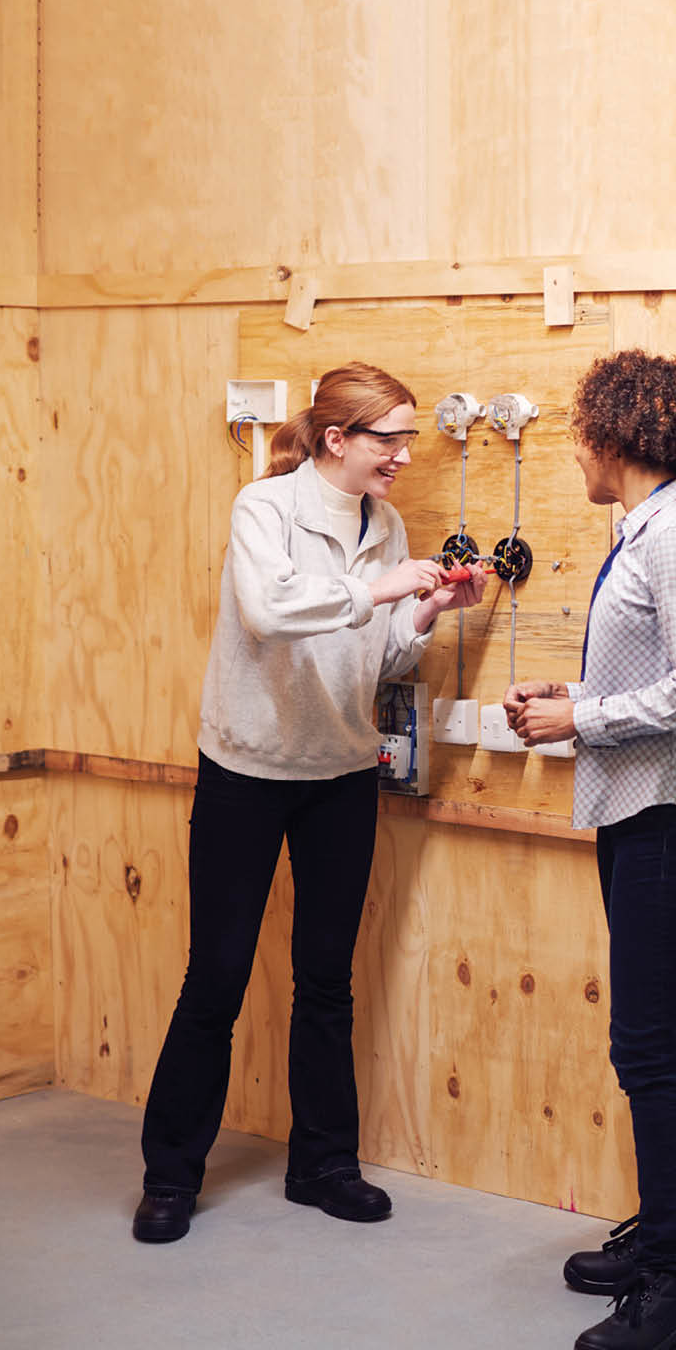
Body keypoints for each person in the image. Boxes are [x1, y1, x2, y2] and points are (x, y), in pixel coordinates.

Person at [133, 362, 486, 1243]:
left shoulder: (386, 523)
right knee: (215, 977)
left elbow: (377, 656)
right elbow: (268, 611)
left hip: (340, 776)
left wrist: (427, 610)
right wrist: (382, 589)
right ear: (336, 439)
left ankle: (323, 1164)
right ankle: (170, 1174)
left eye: (409, 439)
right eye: (390, 439)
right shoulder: (265, 509)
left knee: (327, 980)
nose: (404, 455)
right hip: (247, 771)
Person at [503, 348, 676, 1350]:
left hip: (667, 814)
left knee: (643, 1046)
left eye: (579, 436)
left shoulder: (675, 534)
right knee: (657, 1039)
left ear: (618, 436)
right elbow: (661, 671)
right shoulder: (650, 528)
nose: (573, 454)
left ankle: (670, 1291)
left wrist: (582, 718)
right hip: (641, 809)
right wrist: (572, 697)